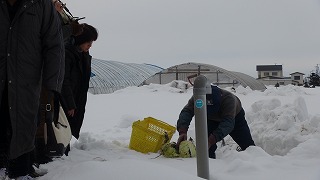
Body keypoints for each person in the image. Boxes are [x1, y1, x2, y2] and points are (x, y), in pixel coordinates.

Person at [0, 0, 64, 179]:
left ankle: (21, 171)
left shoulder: (41, 5)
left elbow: (55, 45)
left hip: (26, 82)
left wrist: (53, 84)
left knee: (24, 125)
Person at [176, 85, 255, 159]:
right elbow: (187, 111)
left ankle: (256, 163)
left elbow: (228, 124)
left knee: (248, 145)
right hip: (210, 119)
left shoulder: (229, 100)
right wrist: (182, 131)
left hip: (234, 117)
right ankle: (210, 165)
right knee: (206, 148)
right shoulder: (198, 98)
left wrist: (212, 139)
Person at [60, 24, 98, 155]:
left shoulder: (83, 54)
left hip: (77, 96)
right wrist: (70, 103)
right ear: (80, 39)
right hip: (66, 99)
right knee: (62, 126)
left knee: (70, 125)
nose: (90, 45)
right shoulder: (66, 53)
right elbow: (64, 80)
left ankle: (66, 151)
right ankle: (62, 154)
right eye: (88, 42)